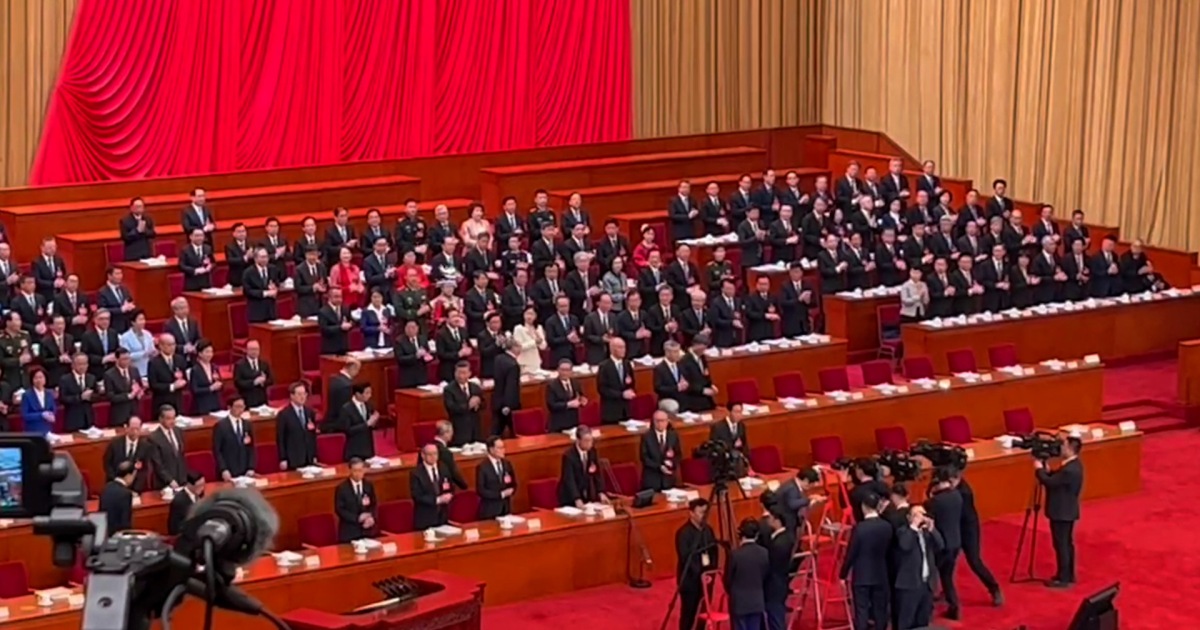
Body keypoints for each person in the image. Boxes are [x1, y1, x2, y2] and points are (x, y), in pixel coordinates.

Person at [949, 467, 1003, 605]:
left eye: (951, 481)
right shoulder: (953, 489)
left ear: (958, 478)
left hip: (968, 530)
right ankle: (948, 591)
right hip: (955, 527)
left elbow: (957, 511)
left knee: (974, 561)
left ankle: (994, 588)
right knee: (948, 561)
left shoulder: (964, 492)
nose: (949, 484)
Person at [1036, 434, 1083, 588]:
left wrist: (1039, 470)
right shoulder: (1074, 465)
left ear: (1070, 448)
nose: (1061, 448)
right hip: (1067, 510)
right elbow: (1057, 479)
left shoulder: (1069, 470)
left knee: (1061, 544)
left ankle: (1063, 578)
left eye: (1063, 446)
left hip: (1061, 512)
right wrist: (1048, 470)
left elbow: (1050, 483)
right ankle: (1068, 575)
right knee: (1067, 544)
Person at [840, 492, 892, 630]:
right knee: (880, 609)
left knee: (861, 610)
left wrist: (843, 574)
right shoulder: (887, 526)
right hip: (881, 573)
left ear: (864, 507)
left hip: (862, 575)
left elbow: (851, 553)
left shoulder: (860, 528)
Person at [893, 505, 943, 630]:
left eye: (923, 514)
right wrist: (914, 527)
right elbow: (905, 545)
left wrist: (932, 529)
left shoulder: (927, 533)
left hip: (926, 585)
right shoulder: (903, 532)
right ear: (909, 517)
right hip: (909, 585)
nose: (921, 517)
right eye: (917, 514)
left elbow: (941, 545)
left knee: (923, 622)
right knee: (906, 622)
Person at [924, 467, 963, 620]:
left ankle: (927, 610)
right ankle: (954, 606)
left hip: (940, 545)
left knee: (931, 577)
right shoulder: (957, 495)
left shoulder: (934, 502)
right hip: (955, 542)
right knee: (947, 577)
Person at [675, 498, 718, 630]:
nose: (703, 516)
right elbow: (685, 557)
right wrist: (700, 574)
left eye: (705, 512)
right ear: (691, 513)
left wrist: (711, 572)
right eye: (700, 512)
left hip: (707, 578)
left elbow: (714, 552)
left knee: (704, 611)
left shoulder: (708, 530)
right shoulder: (683, 533)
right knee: (689, 612)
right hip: (690, 580)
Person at [727, 518, 770, 630]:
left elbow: (728, 579)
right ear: (757, 535)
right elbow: (765, 575)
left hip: (739, 602)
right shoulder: (764, 553)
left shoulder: (735, 555)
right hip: (757, 601)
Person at [557, 426, 608, 507]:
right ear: (578, 440)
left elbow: (597, 473)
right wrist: (576, 498)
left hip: (586, 495)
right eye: (586, 441)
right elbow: (569, 479)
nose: (589, 444)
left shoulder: (592, 452)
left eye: (591, 440)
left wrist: (601, 492)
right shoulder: (569, 456)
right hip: (570, 497)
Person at [762, 510, 795, 630]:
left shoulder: (781, 543)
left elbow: (773, 564)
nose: (767, 520)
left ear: (777, 521)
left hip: (775, 585)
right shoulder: (784, 537)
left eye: (770, 518)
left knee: (776, 619)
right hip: (779, 582)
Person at [276, 382, 319, 470]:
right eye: (299, 394)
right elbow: (280, 438)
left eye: (304, 394)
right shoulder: (284, 414)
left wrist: (314, 455)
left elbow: (312, 436)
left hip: (308, 457)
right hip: (293, 458)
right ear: (292, 396)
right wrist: (283, 458)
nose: (302, 397)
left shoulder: (310, 412)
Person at [411, 443, 453, 530]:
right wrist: (437, 500)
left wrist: (449, 495)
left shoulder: (443, 468)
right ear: (423, 455)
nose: (433, 457)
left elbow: (450, 485)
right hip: (425, 518)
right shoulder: (416, 473)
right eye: (430, 454)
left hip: (442, 516)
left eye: (435, 454)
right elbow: (417, 496)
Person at [335, 458, 378, 542]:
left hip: (367, 530)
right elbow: (340, 510)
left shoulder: (368, 485)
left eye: (360, 470)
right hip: (350, 532)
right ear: (350, 471)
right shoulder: (342, 488)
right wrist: (357, 518)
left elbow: (374, 504)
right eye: (355, 471)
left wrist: (371, 517)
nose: (358, 474)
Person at [333, 382, 378, 461]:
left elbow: (371, 425)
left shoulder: (369, 405)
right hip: (354, 450)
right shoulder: (346, 409)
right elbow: (347, 430)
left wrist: (374, 421)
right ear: (358, 394)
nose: (370, 395)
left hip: (368, 449)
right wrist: (366, 424)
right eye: (367, 393)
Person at [103, 417, 151, 491]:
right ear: (126, 428)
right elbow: (107, 464)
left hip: (136, 488)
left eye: (137, 429)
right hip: (116, 484)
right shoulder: (115, 443)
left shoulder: (145, 446)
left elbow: (145, 469)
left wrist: (136, 488)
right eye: (132, 429)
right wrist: (118, 481)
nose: (135, 432)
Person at [213, 398, 256, 480]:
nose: (240, 409)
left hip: (245, 471)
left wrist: (251, 467)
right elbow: (217, 450)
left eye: (242, 407)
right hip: (228, 471)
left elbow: (251, 448)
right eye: (237, 406)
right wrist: (223, 469)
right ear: (229, 407)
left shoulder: (247, 424)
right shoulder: (221, 426)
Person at [442, 361, 483, 446]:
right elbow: (451, 407)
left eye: (464, 373)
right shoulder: (449, 389)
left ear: (469, 373)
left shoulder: (475, 387)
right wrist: (468, 405)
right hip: (459, 430)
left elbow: (484, 404)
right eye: (459, 373)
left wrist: (478, 402)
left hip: (474, 429)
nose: (461, 376)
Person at [476, 436, 517, 519]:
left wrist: (512, 490)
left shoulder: (507, 464)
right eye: (500, 448)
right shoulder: (482, 467)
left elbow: (514, 483)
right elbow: (481, 490)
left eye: (503, 447)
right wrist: (500, 494)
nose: (503, 450)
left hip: (505, 509)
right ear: (491, 449)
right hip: (490, 511)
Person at [597, 338, 636, 424]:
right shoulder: (605, 366)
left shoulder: (627, 364)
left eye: (624, 347)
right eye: (620, 347)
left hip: (626, 410)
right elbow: (602, 389)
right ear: (612, 349)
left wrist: (631, 390)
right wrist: (621, 395)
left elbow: (632, 382)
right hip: (611, 411)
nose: (623, 350)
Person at [774, 468, 823, 536]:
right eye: (812, 484)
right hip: (784, 518)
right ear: (806, 480)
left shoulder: (792, 484)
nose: (811, 487)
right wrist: (809, 499)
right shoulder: (792, 488)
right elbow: (792, 504)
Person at [640, 411, 681, 491]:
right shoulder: (647, 437)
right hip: (652, 480)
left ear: (667, 421)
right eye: (657, 421)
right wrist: (659, 467)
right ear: (653, 422)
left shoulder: (673, 435)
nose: (660, 423)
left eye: (662, 421)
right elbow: (644, 458)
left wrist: (672, 464)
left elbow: (678, 454)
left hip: (669, 480)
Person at [103, 348, 144, 428]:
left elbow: (139, 386)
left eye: (128, 358)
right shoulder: (109, 375)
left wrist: (140, 392)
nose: (127, 361)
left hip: (134, 412)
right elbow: (111, 396)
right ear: (116, 359)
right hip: (120, 414)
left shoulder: (134, 370)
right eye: (124, 359)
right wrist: (128, 396)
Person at [150, 405, 188, 490]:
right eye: (168, 418)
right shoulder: (154, 438)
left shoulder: (178, 431)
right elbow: (158, 465)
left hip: (181, 481)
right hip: (165, 484)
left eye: (173, 418)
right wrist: (170, 480)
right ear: (160, 419)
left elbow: (181, 457)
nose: (172, 421)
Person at [490, 337, 521, 437]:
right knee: (515, 432)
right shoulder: (513, 365)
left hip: (497, 400)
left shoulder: (498, 358)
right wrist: (508, 405)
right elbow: (511, 387)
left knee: (496, 430)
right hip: (508, 405)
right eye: (519, 347)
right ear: (514, 348)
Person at [147, 334, 186, 414]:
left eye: (174, 344)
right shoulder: (154, 363)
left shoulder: (180, 359)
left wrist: (183, 382)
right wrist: (172, 386)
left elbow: (184, 378)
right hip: (162, 403)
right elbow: (153, 385)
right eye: (169, 345)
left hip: (177, 402)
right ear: (161, 346)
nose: (172, 347)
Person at [59, 353, 98, 432]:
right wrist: (80, 397)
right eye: (79, 364)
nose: (82, 367)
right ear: (72, 365)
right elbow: (63, 398)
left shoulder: (91, 378)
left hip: (88, 418)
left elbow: (97, 396)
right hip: (73, 419)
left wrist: (92, 396)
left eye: (85, 364)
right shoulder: (65, 379)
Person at [546, 359, 585, 432]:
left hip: (573, 422)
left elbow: (580, 396)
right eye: (562, 370)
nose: (564, 373)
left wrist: (582, 401)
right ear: (558, 370)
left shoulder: (575, 383)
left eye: (567, 370)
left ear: (571, 371)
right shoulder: (552, 386)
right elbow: (551, 405)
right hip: (559, 424)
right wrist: (567, 404)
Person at [233, 340, 273, 408]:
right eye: (252, 349)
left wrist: (263, 381)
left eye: (256, 349)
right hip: (247, 400)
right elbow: (238, 382)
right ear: (246, 350)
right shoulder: (240, 365)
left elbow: (271, 380)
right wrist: (254, 382)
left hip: (262, 400)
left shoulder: (264, 364)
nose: (254, 352)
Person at [99, 460, 137, 533]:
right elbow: (125, 522)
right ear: (128, 476)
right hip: (117, 535)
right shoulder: (126, 494)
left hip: (104, 532)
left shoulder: (106, 487)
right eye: (133, 476)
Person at [393, 319, 432, 388]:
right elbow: (400, 359)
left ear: (417, 328)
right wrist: (415, 356)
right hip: (408, 377)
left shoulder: (423, 339)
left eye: (413, 327)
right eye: (408, 327)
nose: (411, 330)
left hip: (421, 376)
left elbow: (428, 352)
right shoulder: (399, 341)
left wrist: (428, 357)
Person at [188, 341, 223, 415]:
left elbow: (220, 383)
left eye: (211, 352)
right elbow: (194, 390)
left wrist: (219, 385)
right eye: (207, 352)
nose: (210, 354)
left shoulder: (214, 367)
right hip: (202, 405)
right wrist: (210, 388)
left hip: (215, 403)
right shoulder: (195, 370)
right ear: (200, 353)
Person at [323, 358, 360, 430]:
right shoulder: (347, 386)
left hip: (331, 418)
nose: (357, 373)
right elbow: (346, 409)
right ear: (353, 368)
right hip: (339, 424)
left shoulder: (334, 379)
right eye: (357, 370)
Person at [318, 288, 354, 356]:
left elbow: (351, 321)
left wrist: (350, 325)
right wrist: (340, 327)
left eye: (340, 297)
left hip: (344, 347)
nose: (339, 299)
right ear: (329, 297)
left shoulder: (345, 308)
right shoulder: (323, 311)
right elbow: (324, 329)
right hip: (330, 348)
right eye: (336, 297)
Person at [120, 310, 157, 374]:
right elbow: (126, 356)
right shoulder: (125, 337)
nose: (143, 322)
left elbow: (152, 349)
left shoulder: (147, 334)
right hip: (135, 370)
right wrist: (143, 354)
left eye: (144, 319)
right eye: (140, 320)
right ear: (133, 322)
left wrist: (154, 352)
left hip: (149, 369)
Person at [512, 306, 547, 374]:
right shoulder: (519, 328)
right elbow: (519, 347)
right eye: (527, 313)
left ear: (536, 316)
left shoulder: (539, 327)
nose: (529, 316)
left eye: (532, 314)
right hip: (524, 363)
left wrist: (540, 340)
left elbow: (543, 346)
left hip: (536, 362)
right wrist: (534, 342)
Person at [20, 369, 56, 435]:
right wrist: (41, 415)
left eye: (41, 377)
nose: (39, 380)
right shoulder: (27, 395)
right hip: (32, 431)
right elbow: (25, 415)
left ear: (45, 379)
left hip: (47, 429)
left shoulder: (50, 393)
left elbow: (53, 409)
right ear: (32, 380)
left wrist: (51, 415)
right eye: (36, 378)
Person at [120, 197, 157, 261]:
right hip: (132, 255)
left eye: (141, 206)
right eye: (137, 206)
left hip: (146, 254)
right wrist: (137, 231)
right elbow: (125, 237)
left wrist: (144, 230)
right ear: (131, 208)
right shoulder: (125, 221)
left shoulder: (148, 219)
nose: (139, 208)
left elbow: (152, 234)